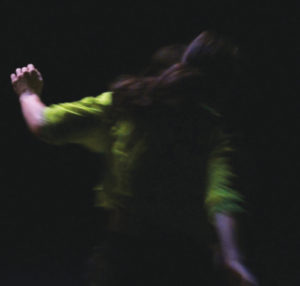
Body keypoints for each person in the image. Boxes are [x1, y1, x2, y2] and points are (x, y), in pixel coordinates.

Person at [11, 31, 258, 285]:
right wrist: (232, 258)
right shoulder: (213, 131)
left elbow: (45, 124)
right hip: (184, 265)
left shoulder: (126, 105)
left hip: (123, 260)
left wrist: (27, 93)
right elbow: (223, 197)